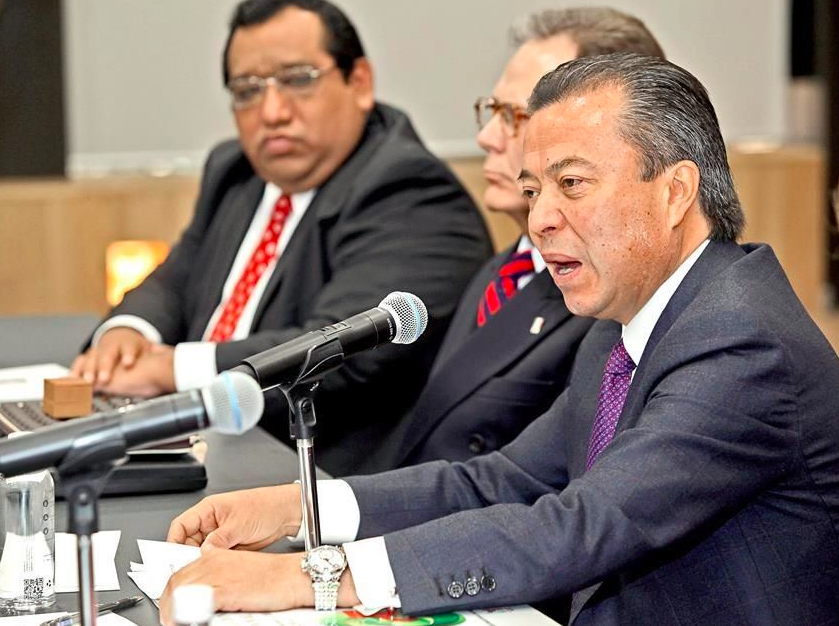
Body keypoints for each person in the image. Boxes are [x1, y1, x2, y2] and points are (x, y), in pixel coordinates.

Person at [161, 54, 839, 625]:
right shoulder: (625, 325)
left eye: (571, 184)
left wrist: (306, 578)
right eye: (533, 189)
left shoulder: (740, 341)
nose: (540, 219)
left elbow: (579, 524)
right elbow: (505, 480)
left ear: (674, 192)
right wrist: (297, 507)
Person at [70, 0, 492, 476]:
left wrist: (173, 371)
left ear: (359, 82)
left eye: (298, 80)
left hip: (302, 469)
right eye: (248, 90)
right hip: (199, 444)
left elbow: (345, 347)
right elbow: (175, 279)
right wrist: (129, 333)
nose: (272, 112)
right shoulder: (235, 170)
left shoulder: (409, 188)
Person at [375, 8, 664, 472]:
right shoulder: (501, 269)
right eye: (492, 111)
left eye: (517, 116)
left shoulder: (607, 299)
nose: (488, 137)